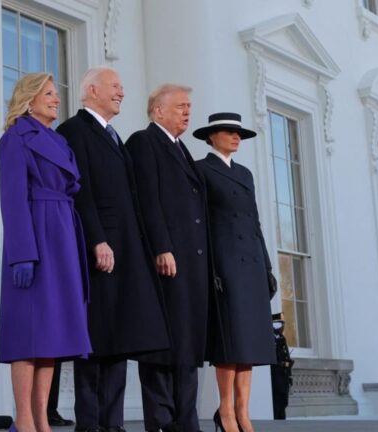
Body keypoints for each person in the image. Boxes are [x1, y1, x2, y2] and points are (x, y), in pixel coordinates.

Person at [56, 67, 170, 432]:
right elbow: (80, 190)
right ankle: (90, 425)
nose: (122, 92)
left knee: (120, 340)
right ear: (91, 90)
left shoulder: (114, 136)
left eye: (122, 86)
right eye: (115, 86)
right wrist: (96, 239)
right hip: (98, 251)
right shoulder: (73, 131)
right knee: (96, 341)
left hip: (126, 251)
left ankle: (114, 424)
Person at [0, 72, 92, 432]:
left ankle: (41, 419)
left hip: (63, 233)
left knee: (50, 332)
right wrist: (22, 253)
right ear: (30, 98)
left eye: (56, 94)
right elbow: (13, 199)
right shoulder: (15, 138)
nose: (56, 99)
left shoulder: (59, 141)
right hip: (36, 234)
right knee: (27, 331)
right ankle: (24, 419)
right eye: (49, 93)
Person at [126, 84, 211, 432]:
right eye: (180, 107)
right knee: (163, 347)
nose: (187, 112)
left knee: (188, 346)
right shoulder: (144, 142)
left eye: (189, 106)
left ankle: (186, 422)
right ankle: (161, 422)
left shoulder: (182, 149)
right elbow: (147, 199)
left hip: (192, 263)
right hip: (166, 261)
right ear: (158, 111)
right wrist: (162, 246)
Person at [193, 112, 277, 432]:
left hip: (253, 262)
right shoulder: (202, 170)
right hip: (225, 262)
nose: (236, 137)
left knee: (250, 343)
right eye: (229, 132)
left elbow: (254, 223)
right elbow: (201, 224)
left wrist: (268, 266)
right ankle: (225, 410)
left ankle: (243, 412)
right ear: (211, 136)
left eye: (239, 133)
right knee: (230, 341)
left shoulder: (245, 173)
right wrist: (210, 267)